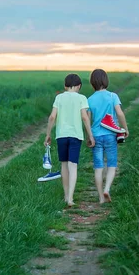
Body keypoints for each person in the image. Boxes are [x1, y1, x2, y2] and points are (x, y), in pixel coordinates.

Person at [45, 73, 95, 207]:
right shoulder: (81, 98)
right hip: (75, 136)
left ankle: (66, 195)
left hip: (61, 135)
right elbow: (85, 118)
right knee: (73, 166)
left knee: (64, 165)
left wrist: (48, 134)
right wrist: (90, 135)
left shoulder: (59, 98)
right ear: (79, 86)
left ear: (65, 86)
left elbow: (52, 117)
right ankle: (71, 199)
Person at [87, 69, 129, 203]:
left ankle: (100, 197)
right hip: (111, 135)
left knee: (98, 167)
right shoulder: (113, 96)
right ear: (106, 80)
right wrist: (125, 129)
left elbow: (87, 119)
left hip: (96, 135)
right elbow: (120, 113)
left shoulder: (89, 99)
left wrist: (89, 136)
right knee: (112, 164)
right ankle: (107, 189)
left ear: (92, 82)